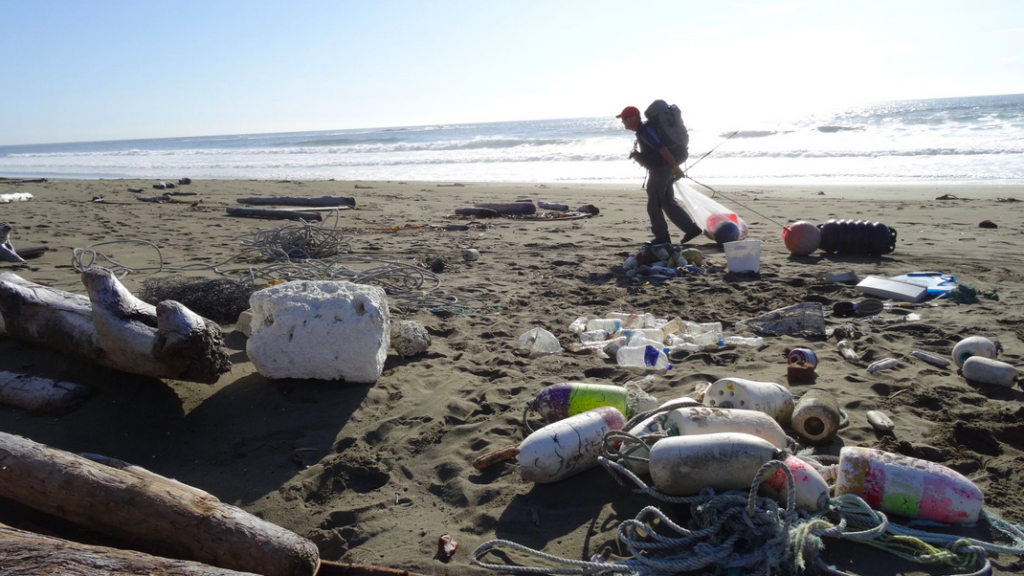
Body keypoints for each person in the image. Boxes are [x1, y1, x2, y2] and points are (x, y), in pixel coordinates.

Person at [617, 105, 702, 245]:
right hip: (664, 167)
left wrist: (675, 167)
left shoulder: (645, 131)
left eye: (625, 119)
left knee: (654, 202)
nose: (623, 122)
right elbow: (654, 153)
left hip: (662, 168)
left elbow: (661, 148)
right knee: (666, 200)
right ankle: (690, 228)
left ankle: (662, 237)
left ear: (633, 118)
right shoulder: (643, 131)